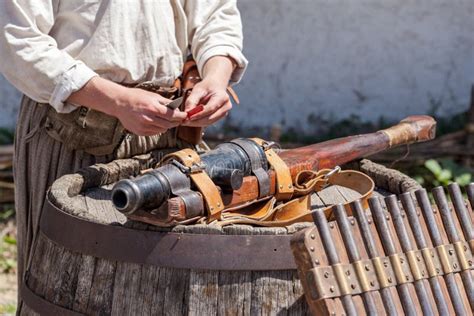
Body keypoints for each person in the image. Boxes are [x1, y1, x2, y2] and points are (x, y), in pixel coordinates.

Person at [0, 0, 247, 310]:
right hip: (74, 132)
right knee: (66, 289)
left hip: (169, 135)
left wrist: (215, 77)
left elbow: (214, 13)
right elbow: (17, 38)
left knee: (164, 288)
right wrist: (117, 101)